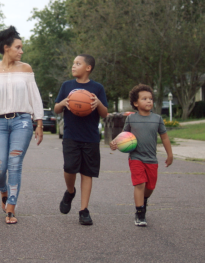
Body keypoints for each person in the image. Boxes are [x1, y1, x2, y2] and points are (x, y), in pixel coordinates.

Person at [0, 26, 44, 225]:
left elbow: (35, 96)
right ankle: (3, 191)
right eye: (18, 47)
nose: (21, 51)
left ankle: (11, 207)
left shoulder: (26, 69)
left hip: (22, 121)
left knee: (14, 164)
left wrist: (39, 123)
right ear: (6, 48)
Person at [54, 54, 108, 225]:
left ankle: (83, 210)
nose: (73, 66)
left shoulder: (97, 88)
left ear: (88, 68)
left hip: (91, 137)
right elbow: (56, 109)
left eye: (78, 63)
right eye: (73, 63)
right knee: (69, 168)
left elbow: (105, 113)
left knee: (87, 173)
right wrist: (64, 102)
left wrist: (97, 103)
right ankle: (70, 192)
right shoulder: (67, 86)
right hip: (71, 136)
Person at [110, 84, 173, 227]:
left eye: (150, 98)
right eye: (144, 99)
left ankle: (144, 201)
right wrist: (114, 143)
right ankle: (140, 213)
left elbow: (164, 138)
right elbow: (123, 136)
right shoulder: (131, 119)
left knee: (149, 188)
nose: (149, 101)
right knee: (140, 184)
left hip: (152, 159)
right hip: (136, 157)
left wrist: (170, 154)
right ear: (135, 103)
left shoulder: (157, 119)